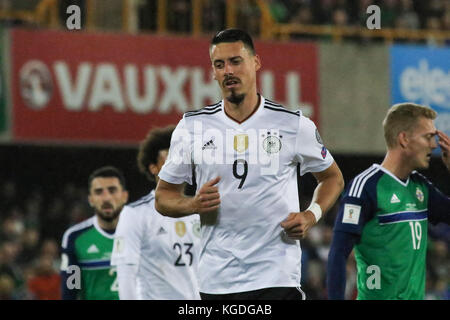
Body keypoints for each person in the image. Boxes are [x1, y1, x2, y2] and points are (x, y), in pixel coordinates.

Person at [155, 28, 344, 300]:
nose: (228, 71)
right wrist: (192, 204)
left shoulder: (293, 125)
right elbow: (163, 197)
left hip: (277, 276)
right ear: (213, 72)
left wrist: (310, 215)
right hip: (216, 280)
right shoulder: (192, 127)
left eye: (235, 61)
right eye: (219, 65)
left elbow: (332, 178)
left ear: (256, 62)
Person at [327, 103, 450, 300]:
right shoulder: (365, 187)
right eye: (428, 137)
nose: (434, 145)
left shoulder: (420, 187)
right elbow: (338, 254)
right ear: (404, 139)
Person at [111, 126, 201, 300]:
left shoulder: (200, 212)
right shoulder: (134, 214)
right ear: (153, 168)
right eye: (170, 157)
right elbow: (126, 274)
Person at [60, 166, 129, 300]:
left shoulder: (143, 232)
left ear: (124, 196)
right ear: (91, 199)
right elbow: (70, 292)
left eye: (112, 190)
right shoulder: (75, 237)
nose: (106, 198)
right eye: (99, 192)